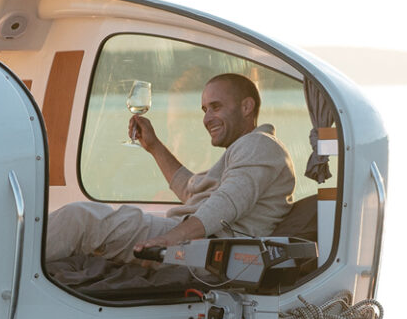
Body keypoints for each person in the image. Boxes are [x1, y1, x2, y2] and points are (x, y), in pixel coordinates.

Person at [46, 73, 295, 263]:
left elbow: (226, 205)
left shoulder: (259, 145)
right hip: (193, 239)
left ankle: (8, 262)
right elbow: (192, 192)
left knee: (79, 219)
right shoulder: (246, 150)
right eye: (205, 110)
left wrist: (170, 240)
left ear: (246, 107)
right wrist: (154, 147)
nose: (207, 119)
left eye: (216, 107)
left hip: (203, 248)